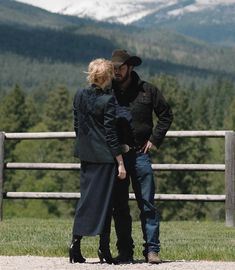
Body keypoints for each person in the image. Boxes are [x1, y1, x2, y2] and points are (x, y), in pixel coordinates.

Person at [111, 49, 173, 264]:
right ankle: (125, 252)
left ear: (130, 67)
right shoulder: (108, 91)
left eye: (120, 67)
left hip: (140, 156)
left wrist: (154, 140)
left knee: (147, 204)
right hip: (117, 157)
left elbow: (166, 115)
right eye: (114, 67)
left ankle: (152, 250)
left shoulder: (148, 90)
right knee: (119, 205)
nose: (116, 71)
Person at [69, 58, 126, 264]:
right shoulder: (108, 100)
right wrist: (120, 161)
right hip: (104, 158)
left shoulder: (79, 95)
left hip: (86, 155)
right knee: (105, 204)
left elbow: (77, 126)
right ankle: (104, 249)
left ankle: (75, 244)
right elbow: (111, 134)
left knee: (86, 200)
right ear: (108, 77)